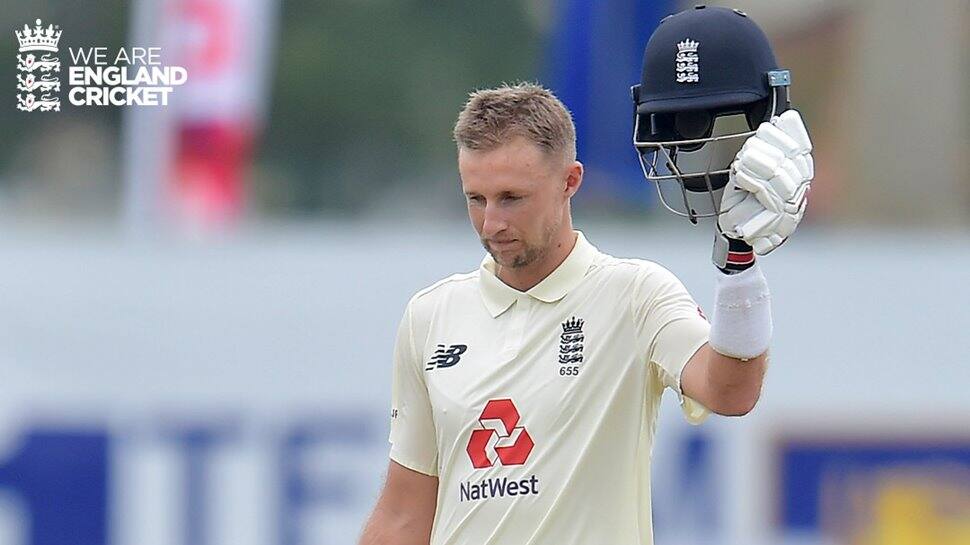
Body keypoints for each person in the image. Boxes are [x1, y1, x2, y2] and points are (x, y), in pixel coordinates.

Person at [359, 7, 812, 545]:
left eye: (512, 198)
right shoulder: (431, 316)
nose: (492, 222)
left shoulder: (635, 293)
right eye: (475, 199)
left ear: (570, 181)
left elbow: (730, 391)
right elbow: (404, 515)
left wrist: (739, 268)